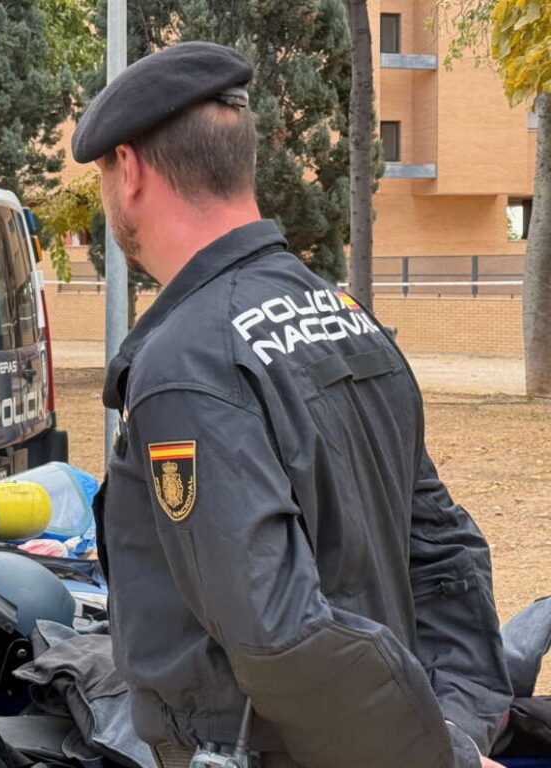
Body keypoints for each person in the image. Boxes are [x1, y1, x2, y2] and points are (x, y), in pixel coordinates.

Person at [72, 42, 512, 768]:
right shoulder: (347, 318)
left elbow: (280, 634)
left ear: (132, 168)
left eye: (103, 179)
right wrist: (454, 728)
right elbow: (445, 552)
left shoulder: (186, 364)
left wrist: (444, 754)